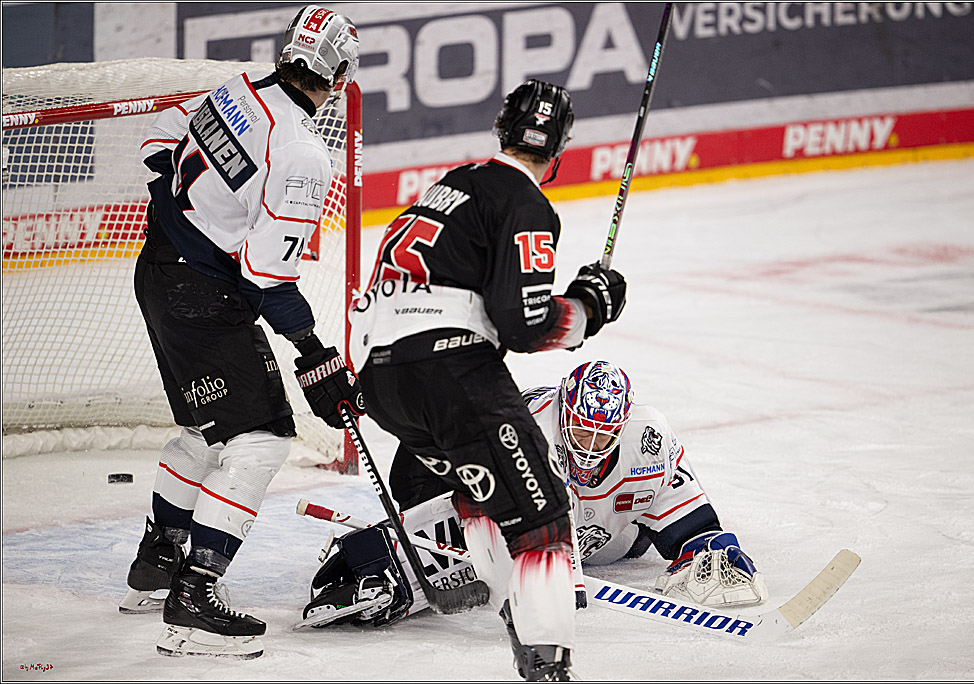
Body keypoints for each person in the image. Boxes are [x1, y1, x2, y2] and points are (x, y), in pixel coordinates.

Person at [345, 80, 628, 681]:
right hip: (448, 368)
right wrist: (588, 307)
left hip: (381, 379)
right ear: (559, 153)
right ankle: (547, 662)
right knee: (545, 511)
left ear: (502, 130)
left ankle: (514, 611)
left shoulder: (450, 185)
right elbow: (521, 325)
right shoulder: (526, 203)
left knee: (486, 493)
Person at [118, 6, 363, 660]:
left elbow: (156, 144)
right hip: (198, 297)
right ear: (337, 77)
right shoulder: (303, 152)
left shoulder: (239, 89)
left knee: (208, 429)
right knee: (259, 439)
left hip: (155, 270)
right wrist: (318, 358)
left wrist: (195, 219)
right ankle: (196, 596)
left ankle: (158, 560)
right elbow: (267, 277)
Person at [297, 361, 767, 635]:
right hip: (502, 498)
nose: (589, 447)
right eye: (580, 431)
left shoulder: (646, 439)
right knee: (477, 539)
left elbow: (681, 505)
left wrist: (712, 545)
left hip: (606, 536)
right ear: (563, 412)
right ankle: (379, 562)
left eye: (602, 438)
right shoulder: (524, 427)